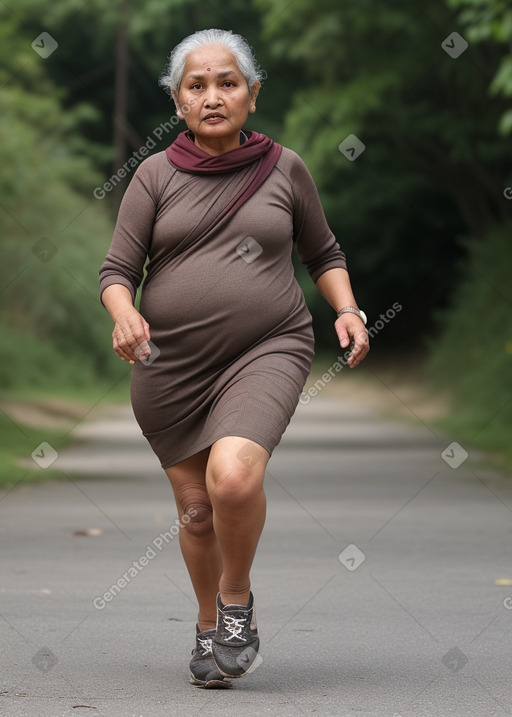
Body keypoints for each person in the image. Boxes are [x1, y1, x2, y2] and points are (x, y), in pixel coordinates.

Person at [99, 28, 369, 689]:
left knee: (234, 480)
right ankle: (206, 623)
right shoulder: (153, 174)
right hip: (172, 364)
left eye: (228, 83)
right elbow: (116, 270)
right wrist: (124, 313)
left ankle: (237, 599)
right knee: (195, 510)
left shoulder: (286, 168)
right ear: (176, 98)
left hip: (267, 346)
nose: (213, 95)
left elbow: (323, 251)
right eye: (197, 85)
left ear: (252, 94)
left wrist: (348, 308)